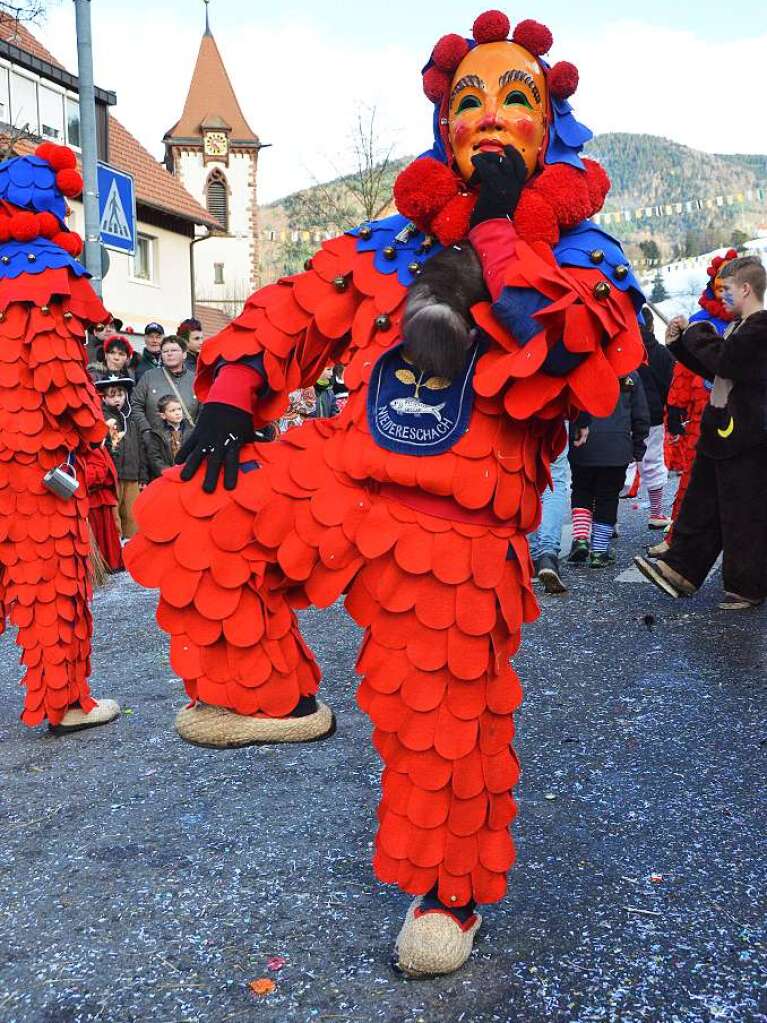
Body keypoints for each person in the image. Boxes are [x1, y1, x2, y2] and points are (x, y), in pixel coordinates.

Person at [126, 9, 644, 977]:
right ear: (443, 124)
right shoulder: (386, 243)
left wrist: (495, 228)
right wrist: (230, 402)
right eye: (468, 99)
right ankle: (276, 693)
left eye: (514, 97)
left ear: (548, 124)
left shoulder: (588, 257)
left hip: (455, 533)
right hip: (336, 474)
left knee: (441, 736)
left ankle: (448, 894)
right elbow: (288, 309)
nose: (489, 114)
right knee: (195, 504)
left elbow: (560, 345)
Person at [0, 141, 120, 734]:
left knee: (33, 582)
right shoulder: (41, 286)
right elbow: (60, 380)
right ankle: (63, 701)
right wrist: (95, 434)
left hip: (11, 462)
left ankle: (66, 696)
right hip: (37, 467)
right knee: (53, 584)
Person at [635, 255, 767, 611]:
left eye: (726, 290)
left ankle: (748, 585)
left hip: (746, 436)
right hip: (723, 431)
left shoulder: (760, 327)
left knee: (742, 514)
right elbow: (714, 365)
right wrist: (680, 345)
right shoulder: (739, 327)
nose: (721, 296)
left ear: (746, 288)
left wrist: (695, 332)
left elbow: (726, 360)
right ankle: (680, 569)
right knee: (701, 504)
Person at [651, 250, 738, 557]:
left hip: (740, 415)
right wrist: (676, 408)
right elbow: (684, 371)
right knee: (694, 480)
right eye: (720, 285)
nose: (724, 292)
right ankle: (678, 539)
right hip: (703, 413)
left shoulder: (750, 325)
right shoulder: (700, 323)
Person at [568, 374, 650, 567]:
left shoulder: (584, 366)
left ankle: (580, 538)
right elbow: (641, 415)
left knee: (581, 489)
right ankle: (599, 550)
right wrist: (638, 448)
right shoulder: (631, 374)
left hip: (583, 441)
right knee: (607, 497)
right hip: (617, 446)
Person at [622, 307, 674, 529]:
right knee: (653, 462)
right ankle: (656, 513)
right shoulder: (660, 352)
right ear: (650, 326)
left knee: (617, 463)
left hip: (619, 413)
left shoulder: (617, 346)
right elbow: (671, 385)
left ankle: (606, 522)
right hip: (652, 413)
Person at [528, 416, 590, 594]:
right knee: (554, 481)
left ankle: (531, 556)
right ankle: (547, 555)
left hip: (518, 412)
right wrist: (582, 420)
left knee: (529, 477)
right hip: (554, 413)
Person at [94, 375, 148, 538]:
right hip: (112, 478)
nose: (117, 399)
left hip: (132, 476)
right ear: (104, 398)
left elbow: (140, 448)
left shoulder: (132, 419)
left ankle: (132, 551)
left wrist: (143, 475)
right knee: (114, 519)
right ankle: (117, 552)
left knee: (133, 518)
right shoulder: (101, 419)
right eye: (112, 395)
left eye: (120, 395)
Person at [132, 335, 199, 437]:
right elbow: (135, 405)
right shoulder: (149, 377)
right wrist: (146, 430)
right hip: (155, 444)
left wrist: (195, 435)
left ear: (184, 354)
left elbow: (204, 411)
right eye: (165, 351)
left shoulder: (196, 380)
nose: (169, 354)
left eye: (174, 350)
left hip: (187, 445)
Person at [84, 440, 123, 573]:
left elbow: (99, 471)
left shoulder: (92, 447)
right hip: (92, 498)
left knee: (102, 533)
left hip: (96, 498)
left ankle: (106, 564)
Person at [145, 395, 192, 479]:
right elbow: (155, 458)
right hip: (166, 477)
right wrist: (168, 473)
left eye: (179, 409)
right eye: (172, 410)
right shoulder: (156, 434)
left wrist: (188, 470)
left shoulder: (191, 431)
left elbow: (194, 454)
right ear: (163, 415)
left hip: (187, 475)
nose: (178, 413)